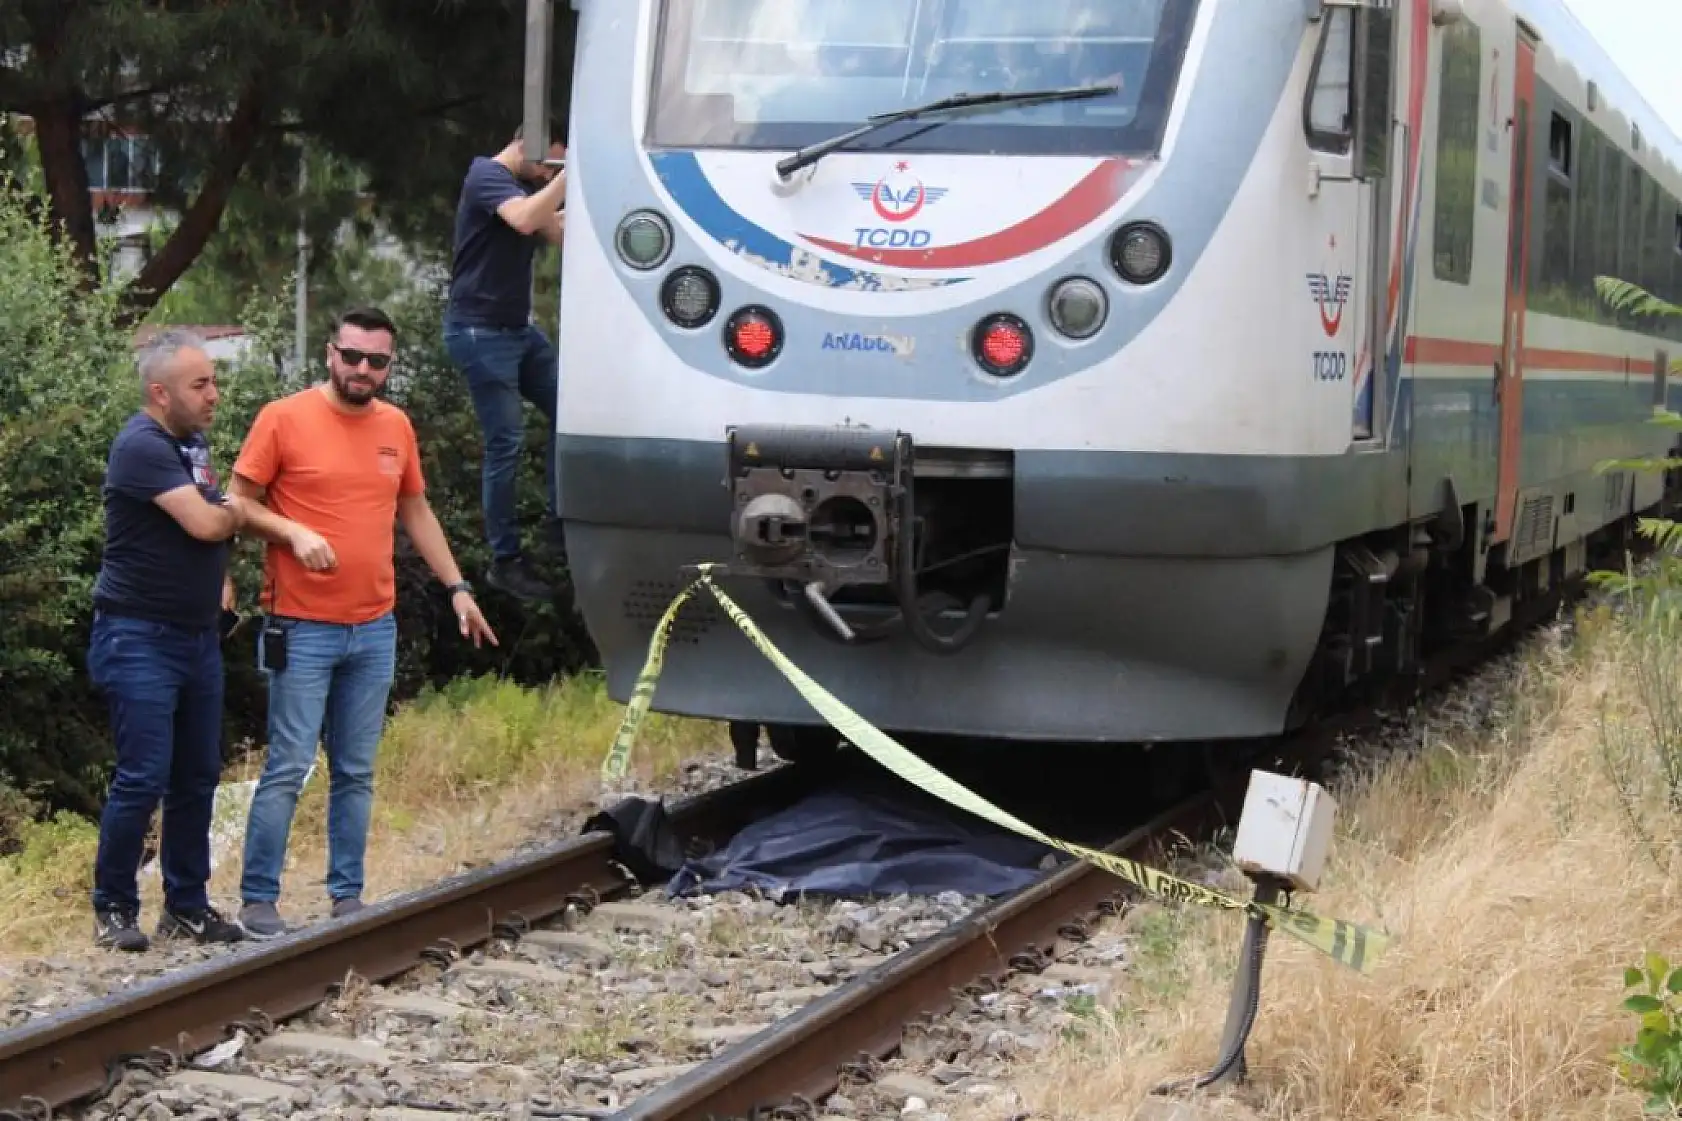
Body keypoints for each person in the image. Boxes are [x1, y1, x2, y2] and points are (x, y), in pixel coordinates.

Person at [226, 306, 498, 939]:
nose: (362, 370)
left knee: (356, 769)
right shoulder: (283, 418)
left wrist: (457, 587)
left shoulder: (395, 427)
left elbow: (416, 510)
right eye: (352, 356)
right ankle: (258, 899)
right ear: (330, 354)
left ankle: (347, 896)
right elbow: (237, 503)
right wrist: (292, 531)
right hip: (300, 625)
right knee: (290, 765)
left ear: (388, 367)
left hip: (374, 627)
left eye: (376, 361)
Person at [87, 328, 250, 951]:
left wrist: (222, 580)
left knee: (197, 774)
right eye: (199, 384)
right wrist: (245, 510)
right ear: (160, 393)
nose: (214, 394)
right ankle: (114, 907)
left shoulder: (193, 443)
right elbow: (210, 519)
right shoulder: (141, 446)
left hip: (195, 637)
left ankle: (185, 904)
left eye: (213, 380)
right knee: (144, 776)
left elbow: (204, 523)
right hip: (138, 637)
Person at [442, 125, 569, 602]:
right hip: (479, 331)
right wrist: (568, 177)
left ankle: (559, 521)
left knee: (569, 408)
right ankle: (505, 559)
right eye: (550, 162)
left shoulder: (527, 189)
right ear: (529, 142)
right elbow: (521, 220)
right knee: (506, 443)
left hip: (517, 329)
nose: (550, 173)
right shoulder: (486, 175)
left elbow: (558, 231)